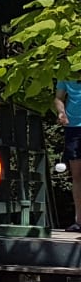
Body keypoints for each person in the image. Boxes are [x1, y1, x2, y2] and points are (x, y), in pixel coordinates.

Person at [56, 79, 81, 231]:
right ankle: (79, 221)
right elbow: (59, 98)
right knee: (77, 176)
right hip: (73, 128)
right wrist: (61, 113)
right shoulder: (64, 73)